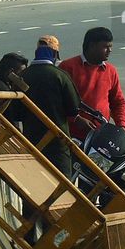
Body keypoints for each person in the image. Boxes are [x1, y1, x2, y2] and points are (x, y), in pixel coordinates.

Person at [18, 35, 81, 171]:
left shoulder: (23, 76)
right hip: (58, 140)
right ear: (54, 54)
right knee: (62, 182)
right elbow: (74, 108)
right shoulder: (60, 75)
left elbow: (16, 113)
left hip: (31, 139)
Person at [60, 27, 125, 138]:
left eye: (110, 46)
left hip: (100, 136)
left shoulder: (111, 71)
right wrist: (75, 119)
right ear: (91, 46)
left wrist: (121, 125)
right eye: (105, 47)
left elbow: (118, 101)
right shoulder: (68, 67)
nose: (110, 50)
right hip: (71, 136)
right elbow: (58, 102)